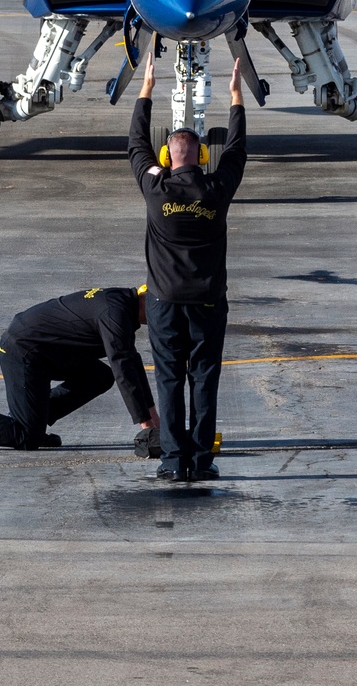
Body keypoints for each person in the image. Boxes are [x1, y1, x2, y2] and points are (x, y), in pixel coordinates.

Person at [129, 55, 246, 482]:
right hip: (208, 303)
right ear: (201, 155)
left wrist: (146, 90)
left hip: (163, 303)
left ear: (168, 155)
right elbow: (236, 150)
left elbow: (135, 144)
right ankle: (200, 459)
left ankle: (173, 462)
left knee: (168, 379)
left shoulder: (155, 188)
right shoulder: (216, 189)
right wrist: (235, 97)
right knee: (205, 379)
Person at [0, 286, 159, 455]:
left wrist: (153, 418)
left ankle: (34, 416)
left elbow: (131, 362)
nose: (162, 321)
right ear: (147, 300)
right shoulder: (114, 314)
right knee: (26, 437)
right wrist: (147, 428)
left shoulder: (120, 302)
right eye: (162, 314)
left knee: (99, 377)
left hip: (48, 353)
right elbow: (123, 369)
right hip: (23, 351)